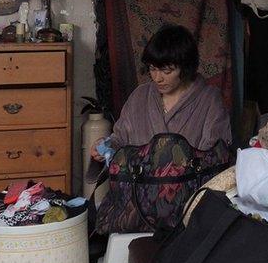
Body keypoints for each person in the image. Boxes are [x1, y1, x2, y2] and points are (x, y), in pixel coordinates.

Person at [90, 24, 231, 161]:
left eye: (166, 71)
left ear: (185, 67)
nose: (157, 78)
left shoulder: (209, 100)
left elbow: (215, 155)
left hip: (193, 183)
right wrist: (105, 146)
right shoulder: (140, 96)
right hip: (139, 182)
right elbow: (119, 139)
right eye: (152, 69)